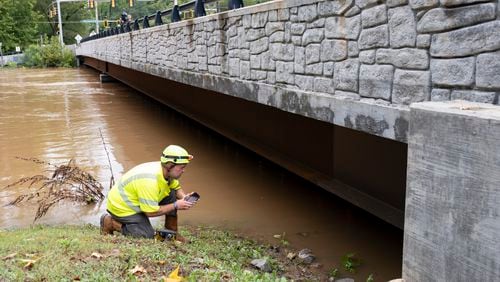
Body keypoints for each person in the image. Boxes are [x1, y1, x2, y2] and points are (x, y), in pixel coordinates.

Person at [100, 145, 196, 242]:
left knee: (171, 193)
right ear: (170, 166)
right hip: (122, 207)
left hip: (136, 200)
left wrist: (184, 198)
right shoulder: (150, 181)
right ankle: (110, 223)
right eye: (182, 167)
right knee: (147, 236)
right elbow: (150, 212)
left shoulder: (166, 171)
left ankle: (171, 233)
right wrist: (176, 205)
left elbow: (176, 188)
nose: (183, 171)